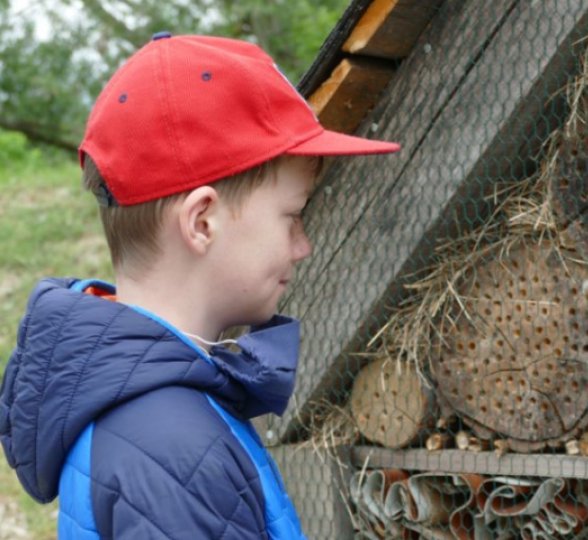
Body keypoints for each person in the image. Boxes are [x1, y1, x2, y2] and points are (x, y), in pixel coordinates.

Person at [0, 33, 398, 539]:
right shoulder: (172, 450)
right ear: (202, 223)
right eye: (292, 216)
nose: (303, 246)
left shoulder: (157, 409)